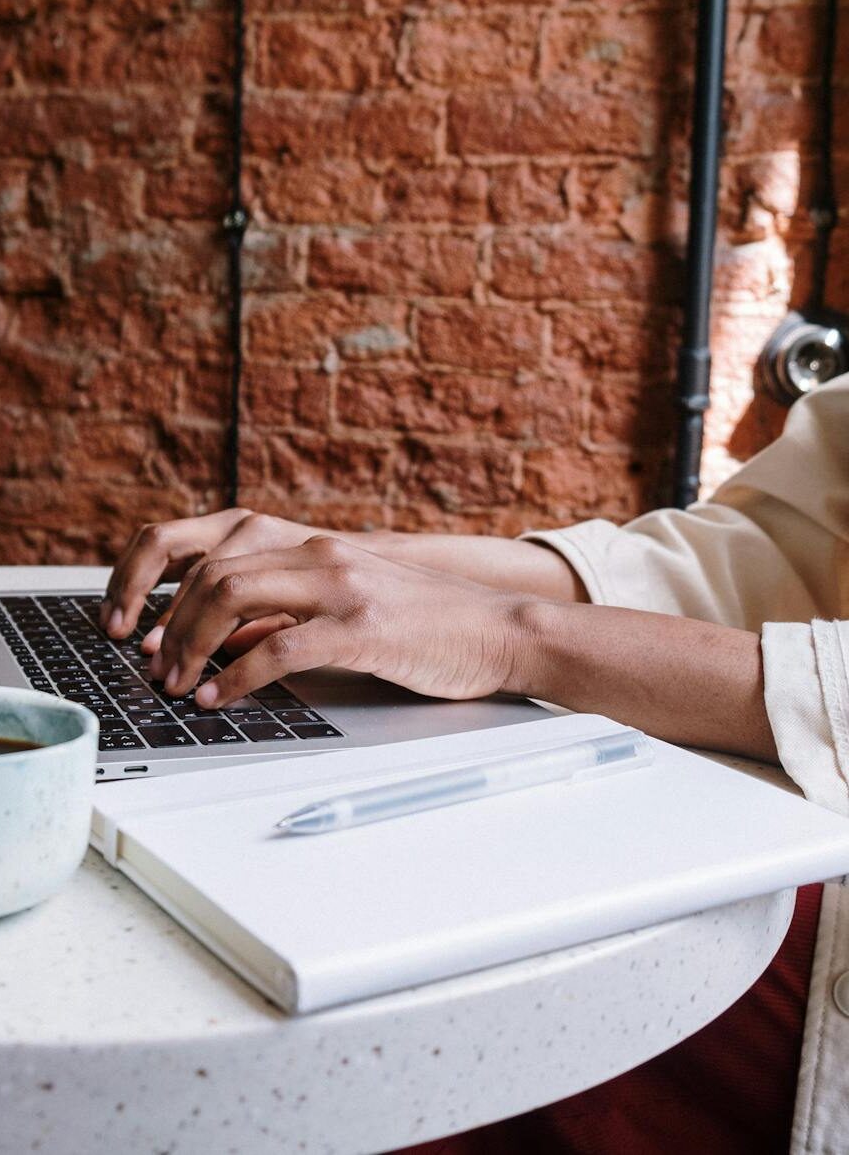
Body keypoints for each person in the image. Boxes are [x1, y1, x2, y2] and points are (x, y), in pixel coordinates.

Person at [100, 373, 849, 1155]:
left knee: (357, 1021)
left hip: (793, 963)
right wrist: (368, 564)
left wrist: (511, 635)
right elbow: (756, 554)